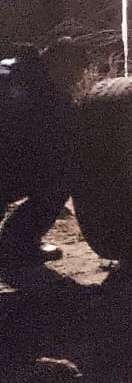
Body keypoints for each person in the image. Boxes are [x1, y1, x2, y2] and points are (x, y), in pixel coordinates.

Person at [0, 41, 83, 270]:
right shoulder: (46, 96)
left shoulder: (10, 68)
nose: (74, 81)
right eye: (74, 72)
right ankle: (18, 245)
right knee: (60, 179)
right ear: (60, 64)